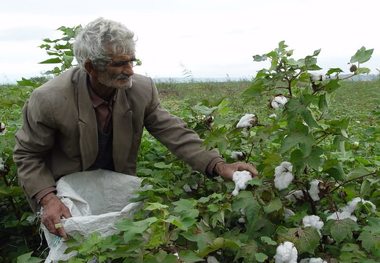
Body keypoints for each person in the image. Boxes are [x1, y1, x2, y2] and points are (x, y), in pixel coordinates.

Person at [13, 17, 258, 239]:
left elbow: (173, 132)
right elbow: (28, 154)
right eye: (119, 64)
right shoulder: (50, 99)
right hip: (68, 193)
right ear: (90, 67)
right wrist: (48, 199)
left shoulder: (140, 90)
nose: (130, 70)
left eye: (132, 60)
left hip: (114, 186)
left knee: (122, 242)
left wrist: (218, 165)